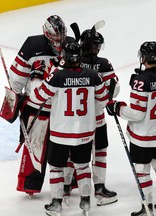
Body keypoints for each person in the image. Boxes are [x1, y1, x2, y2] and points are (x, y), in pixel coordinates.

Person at [30, 40, 107, 216]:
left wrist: (36, 78)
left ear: (64, 56)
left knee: (56, 168)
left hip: (60, 133)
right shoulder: (93, 75)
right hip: (85, 132)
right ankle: (86, 202)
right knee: (82, 166)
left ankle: (56, 204)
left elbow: (38, 97)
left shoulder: (56, 76)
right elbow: (102, 100)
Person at [106, 41, 156, 216]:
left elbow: (137, 114)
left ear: (143, 57)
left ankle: (147, 207)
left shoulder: (141, 81)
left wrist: (118, 108)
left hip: (143, 135)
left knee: (142, 170)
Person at [7, 15, 67, 197]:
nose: (58, 40)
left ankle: (66, 182)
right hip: (39, 108)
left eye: (61, 36)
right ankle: (31, 184)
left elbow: (15, 82)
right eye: (54, 36)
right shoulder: (32, 46)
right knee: (38, 146)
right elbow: (16, 78)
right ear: (46, 33)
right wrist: (15, 97)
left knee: (62, 147)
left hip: (61, 109)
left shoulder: (69, 44)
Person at [63, 29, 119, 206]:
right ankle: (99, 186)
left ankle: (66, 185)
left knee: (72, 152)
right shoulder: (103, 64)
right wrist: (103, 101)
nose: (98, 49)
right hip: (96, 117)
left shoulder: (70, 63)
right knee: (100, 152)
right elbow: (114, 89)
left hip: (74, 119)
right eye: (95, 45)